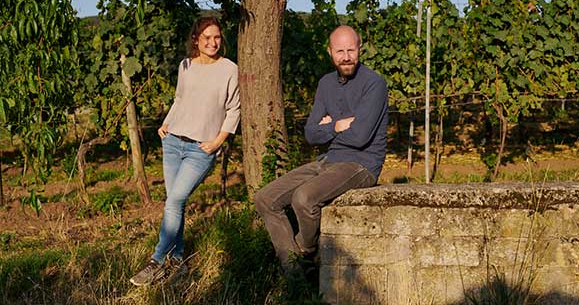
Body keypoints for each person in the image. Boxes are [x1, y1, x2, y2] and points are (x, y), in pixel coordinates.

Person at [254, 25, 388, 273]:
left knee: (303, 198)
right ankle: (295, 275)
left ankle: (304, 252)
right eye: (340, 51)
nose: (346, 56)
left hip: (360, 164)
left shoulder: (374, 84)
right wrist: (337, 126)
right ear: (330, 52)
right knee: (265, 198)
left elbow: (360, 137)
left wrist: (329, 127)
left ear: (360, 49)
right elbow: (311, 134)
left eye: (351, 50)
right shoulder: (326, 83)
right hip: (328, 159)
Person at [130, 16, 240, 286]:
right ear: (196, 40)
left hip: (201, 149)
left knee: (175, 200)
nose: (213, 42)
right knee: (174, 203)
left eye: (216, 37)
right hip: (173, 141)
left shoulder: (229, 69)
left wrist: (217, 142)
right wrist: (166, 122)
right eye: (207, 38)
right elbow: (180, 99)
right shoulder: (186, 65)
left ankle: (156, 261)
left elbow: (234, 109)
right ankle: (178, 263)